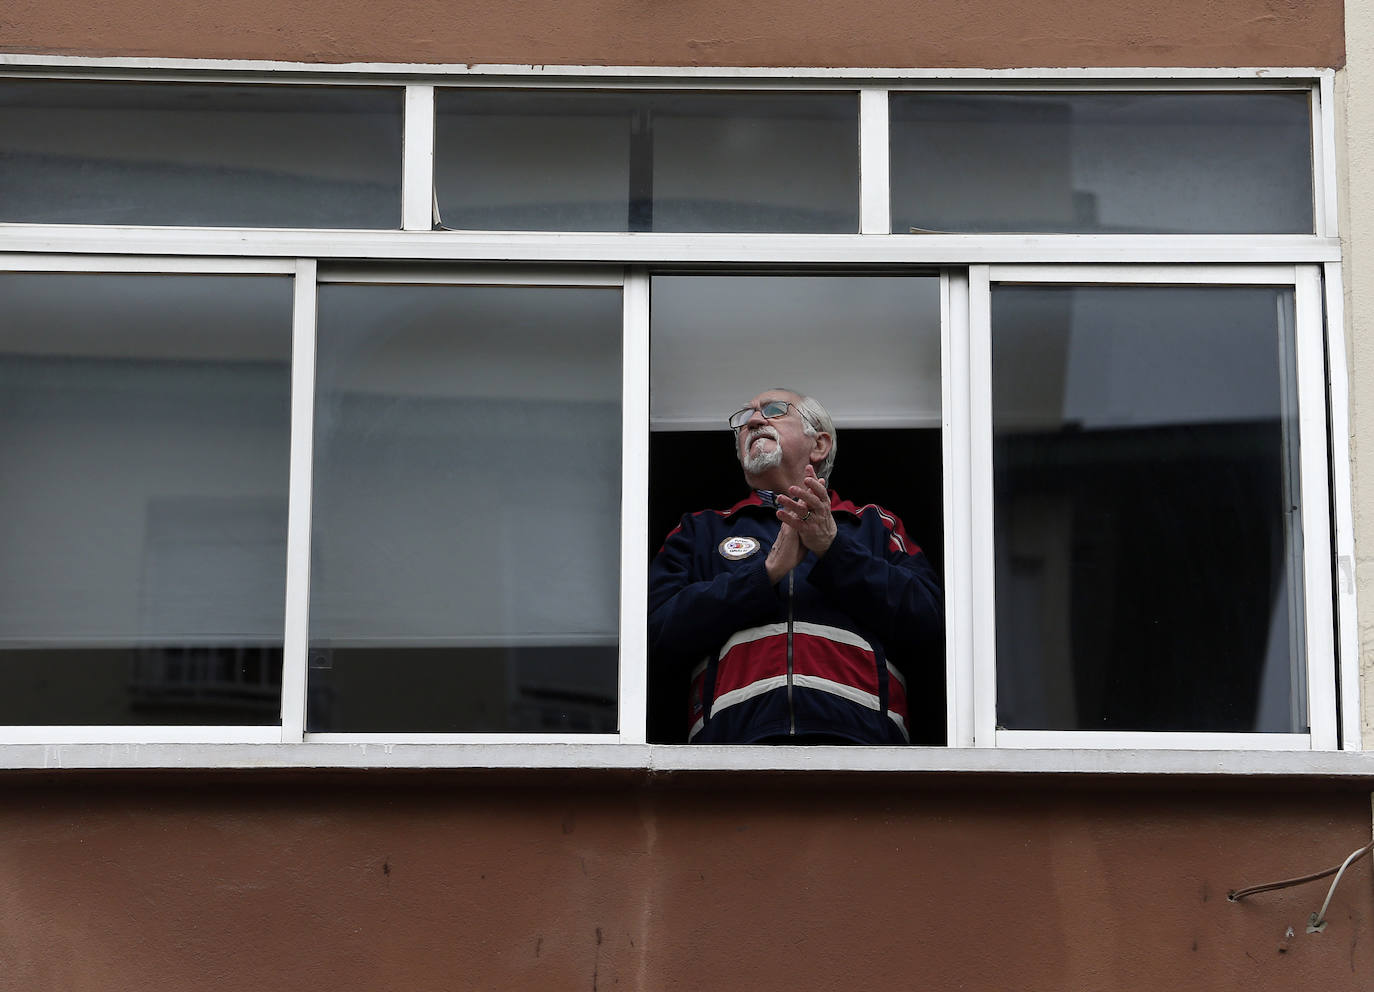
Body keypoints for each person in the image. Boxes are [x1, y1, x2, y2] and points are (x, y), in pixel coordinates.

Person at [649, 388, 944, 744]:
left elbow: (929, 620)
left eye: (773, 410)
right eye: (744, 419)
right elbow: (655, 633)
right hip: (729, 755)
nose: (754, 421)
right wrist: (766, 573)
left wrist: (833, 549)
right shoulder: (701, 530)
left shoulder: (873, 525)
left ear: (819, 445)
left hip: (863, 750)